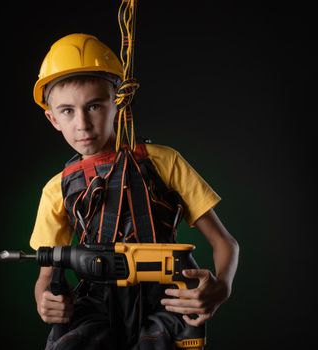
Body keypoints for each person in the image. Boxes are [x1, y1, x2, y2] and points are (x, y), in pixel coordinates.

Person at [29, 33, 239, 350]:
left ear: (119, 102)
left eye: (95, 106)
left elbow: (226, 244)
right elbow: (47, 275)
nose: (82, 125)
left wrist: (220, 288)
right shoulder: (56, 189)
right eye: (68, 111)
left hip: (167, 303)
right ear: (52, 118)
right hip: (95, 308)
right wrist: (46, 300)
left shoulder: (163, 163)